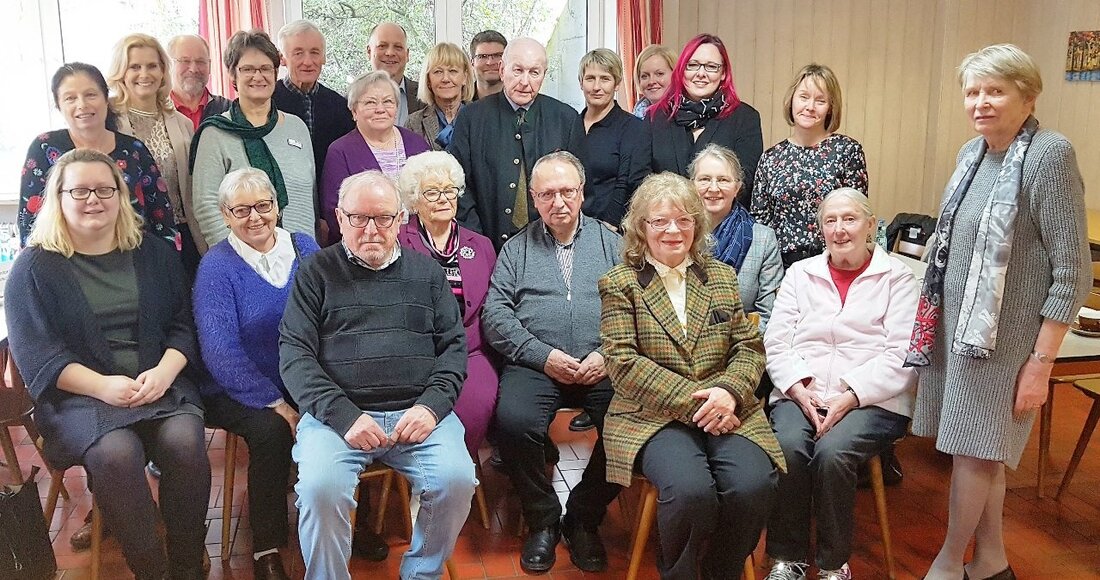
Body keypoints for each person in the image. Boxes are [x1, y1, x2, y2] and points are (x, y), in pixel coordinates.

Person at [910, 44, 1090, 580]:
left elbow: (1073, 271)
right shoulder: (973, 154)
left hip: (1007, 344)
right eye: (972, 91)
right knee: (982, 450)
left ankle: (947, 564)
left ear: (1028, 95)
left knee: (975, 452)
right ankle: (991, 562)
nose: (980, 102)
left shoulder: (1049, 154)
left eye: (995, 90)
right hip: (960, 333)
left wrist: (1041, 363)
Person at [8, 148, 210, 580]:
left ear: (120, 196)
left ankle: (189, 565)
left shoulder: (154, 253)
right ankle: (151, 570)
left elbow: (184, 324)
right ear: (57, 198)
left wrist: (165, 371)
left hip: (157, 385)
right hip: (80, 398)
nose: (93, 199)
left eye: (104, 189)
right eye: (79, 190)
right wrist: (103, 387)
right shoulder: (32, 269)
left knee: (185, 439)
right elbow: (38, 357)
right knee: (117, 453)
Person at [280, 170, 475, 580]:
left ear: (401, 218)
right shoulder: (315, 273)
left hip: (418, 414)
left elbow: (454, 350)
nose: (371, 229)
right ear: (338, 217)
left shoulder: (427, 274)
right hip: (338, 419)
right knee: (319, 490)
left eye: (383, 218)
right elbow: (295, 355)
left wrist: (431, 407)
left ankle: (422, 573)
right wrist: (344, 417)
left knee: (457, 480)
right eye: (358, 218)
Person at [599, 171, 783, 580]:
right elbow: (623, 365)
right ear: (640, 228)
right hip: (652, 414)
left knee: (754, 484)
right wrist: (708, 399)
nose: (672, 230)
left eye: (684, 220)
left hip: (729, 407)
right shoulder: (620, 284)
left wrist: (731, 394)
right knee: (691, 491)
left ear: (697, 225)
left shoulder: (720, 277)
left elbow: (748, 347)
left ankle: (721, 567)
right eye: (659, 220)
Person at [762, 188, 917, 580]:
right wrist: (799, 388)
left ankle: (833, 564)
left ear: (870, 225)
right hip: (802, 393)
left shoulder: (898, 277)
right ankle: (787, 558)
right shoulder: (801, 274)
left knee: (833, 452)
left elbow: (903, 356)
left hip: (873, 400)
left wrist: (849, 395)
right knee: (788, 446)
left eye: (849, 219)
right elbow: (776, 342)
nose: (839, 229)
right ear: (821, 229)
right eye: (830, 221)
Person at [481, 151, 622, 574]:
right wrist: (543, 356)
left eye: (566, 191)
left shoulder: (612, 242)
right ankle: (543, 520)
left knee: (630, 425)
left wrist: (607, 353)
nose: (558, 201)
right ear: (533, 197)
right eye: (547, 194)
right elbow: (495, 314)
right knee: (514, 422)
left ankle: (583, 516)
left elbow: (637, 306)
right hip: (536, 364)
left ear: (582, 193)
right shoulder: (515, 249)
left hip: (604, 362)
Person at [193, 168, 320, 580]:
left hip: (301, 376)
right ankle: (267, 546)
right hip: (235, 387)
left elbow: (332, 313)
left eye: (263, 206)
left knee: (344, 410)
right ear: (225, 215)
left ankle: (351, 521)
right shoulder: (216, 267)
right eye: (241, 210)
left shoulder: (304, 247)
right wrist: (275, 401)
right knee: (271, 431)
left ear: (277, 206)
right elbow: (219, 350)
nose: (255, 217)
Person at [396, 151, 498, 456]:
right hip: (415, 353)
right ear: (414, 200)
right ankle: (427, 475)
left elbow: (492, 307)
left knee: (477, 406)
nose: (443, 198)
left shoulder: (480, 245)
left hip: (471, 352)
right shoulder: (398, 241)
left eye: (449, 190)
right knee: (421, 414)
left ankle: (457, 474)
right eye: (431, 192)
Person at [19, 63, 177, 249]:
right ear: (59, 106)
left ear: (105, 99)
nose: (82, 105)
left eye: (90, 95)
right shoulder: (44, 147)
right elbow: (29, 222)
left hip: (134, 258)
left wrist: (168, 263)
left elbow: (161, 215)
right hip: (64, 262)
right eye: (70, 98)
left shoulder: (133, 149)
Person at [448, 37, 586, 250]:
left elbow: (578, 188)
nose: (525, 81)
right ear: (502, 70)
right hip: (485, 242)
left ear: (543, 75)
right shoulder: (471, 118)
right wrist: (477, 241)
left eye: (534, 72)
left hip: (552, 244)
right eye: (517, 70)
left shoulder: (566, 119)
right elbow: (458, 184)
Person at [191, 30, 317, 250]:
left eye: (266, 68)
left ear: (275, 73)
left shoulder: (297, 127)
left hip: (302, 257)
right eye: (248, 69)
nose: (258, 76)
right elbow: (206, 206)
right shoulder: (216, 134)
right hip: (245, 260)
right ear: (233, 76)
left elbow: (310, 198)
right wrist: (238, 259)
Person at [750, 64, 868, 268]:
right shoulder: (770, 158)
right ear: (792, 100)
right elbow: (760, 225)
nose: (810, 106)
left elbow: (856, 219)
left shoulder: (847, 151)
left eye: (820, 100)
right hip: (781, 270)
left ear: (831, 107)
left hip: (835, 265)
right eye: (804, 97)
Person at [108, 33, 204, 273]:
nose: (144, 74)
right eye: (134, 67)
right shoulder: (109, 121)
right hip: (131, 236)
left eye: (152, 66)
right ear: (122, 72)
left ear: (163, 71)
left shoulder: (182, 124)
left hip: (183, 233)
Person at [642, 34, 763, 206]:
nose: (701, 74)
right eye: (693, 65)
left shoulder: (745, 118)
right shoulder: (655, 117)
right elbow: (643, 178)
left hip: (722, 224)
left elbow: (744, 180)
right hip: (669, 221)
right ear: (682, 70)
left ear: (723, 73)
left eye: (711, 67)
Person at [321, 71, 431, 243]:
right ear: (354, 111)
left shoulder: (417, 144)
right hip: (363, 246)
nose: (380, 109)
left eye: (388, 101)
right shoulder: (340, 151)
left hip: (418, 246)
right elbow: (333, 210)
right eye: (371, 102)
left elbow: (431, 197)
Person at [273, 19, 356, 245]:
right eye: (298, 53)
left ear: (324, 57)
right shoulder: (268, 102)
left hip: (332, 218)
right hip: (280, 218)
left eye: (315, 52)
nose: (307, 61)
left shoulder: (341, 106)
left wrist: (326, 215)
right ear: (283, 58)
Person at [689, 144, 782, 330]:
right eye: (705, 179)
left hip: (740, 346)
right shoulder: (675, 234)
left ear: (737, 187)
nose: (713, 188)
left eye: (723, 180)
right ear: (692, 184)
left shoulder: (763, 239)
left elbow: (769, 315)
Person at [577, 48, 648, 228]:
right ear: (581, 83)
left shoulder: (633, 127)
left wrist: (610, 224)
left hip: (610, 228)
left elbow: (626, 182)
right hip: (569, 227)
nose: (596, 87)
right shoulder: (570, 125)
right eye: (590, 78)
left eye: (605, 79)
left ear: (617, 84)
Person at [405, 43, 475, 151]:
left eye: (453, 71)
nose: (445, 79)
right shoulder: (414, 123)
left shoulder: (481, 118)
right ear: (428, 80)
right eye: (438, 72)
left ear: (465, 77)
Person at [366, 22, 426, 125]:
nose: (390, 53)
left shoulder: (425, 98)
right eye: (382, 46)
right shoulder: (351, 100)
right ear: (369, 52)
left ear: (407, 55)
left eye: (398, 47)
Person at [167, 34, 231, 130]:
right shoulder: (155, 112)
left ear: (209, 66)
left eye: (200, 62)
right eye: (185, 61)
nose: (193, 69)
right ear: (169, 65)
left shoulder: (228, 110)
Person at [632, 44, 675, 118]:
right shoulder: (634, 120)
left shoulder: (688, 114)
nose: (651, 81)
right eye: (644, 76)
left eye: (659, 74)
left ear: (675, 75)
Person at [469, 30, 507, 100]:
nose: (490, 62)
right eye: (482, 56)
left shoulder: (521, 101)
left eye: (497, 55)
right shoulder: (457, 103)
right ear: (472, 63)